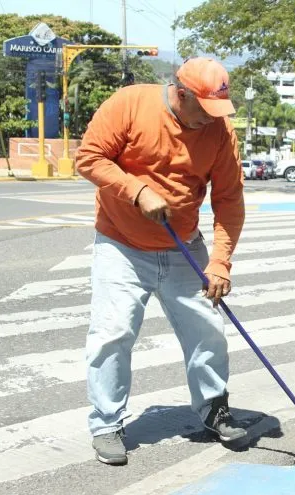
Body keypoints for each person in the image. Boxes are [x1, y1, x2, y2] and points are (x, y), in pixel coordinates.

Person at [75, 58, 247, 465]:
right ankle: (106, 423)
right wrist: (136, 190)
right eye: (204, 110)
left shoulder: (220, 131)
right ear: (181, 93)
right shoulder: (130, 104)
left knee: (207, 329)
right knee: (113, 333)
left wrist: (220, 262)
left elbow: (229, 199)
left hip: (183, 244)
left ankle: (213, 407)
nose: (211, 119)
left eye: (217, 110)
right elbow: (90, 157)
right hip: (121, 243)